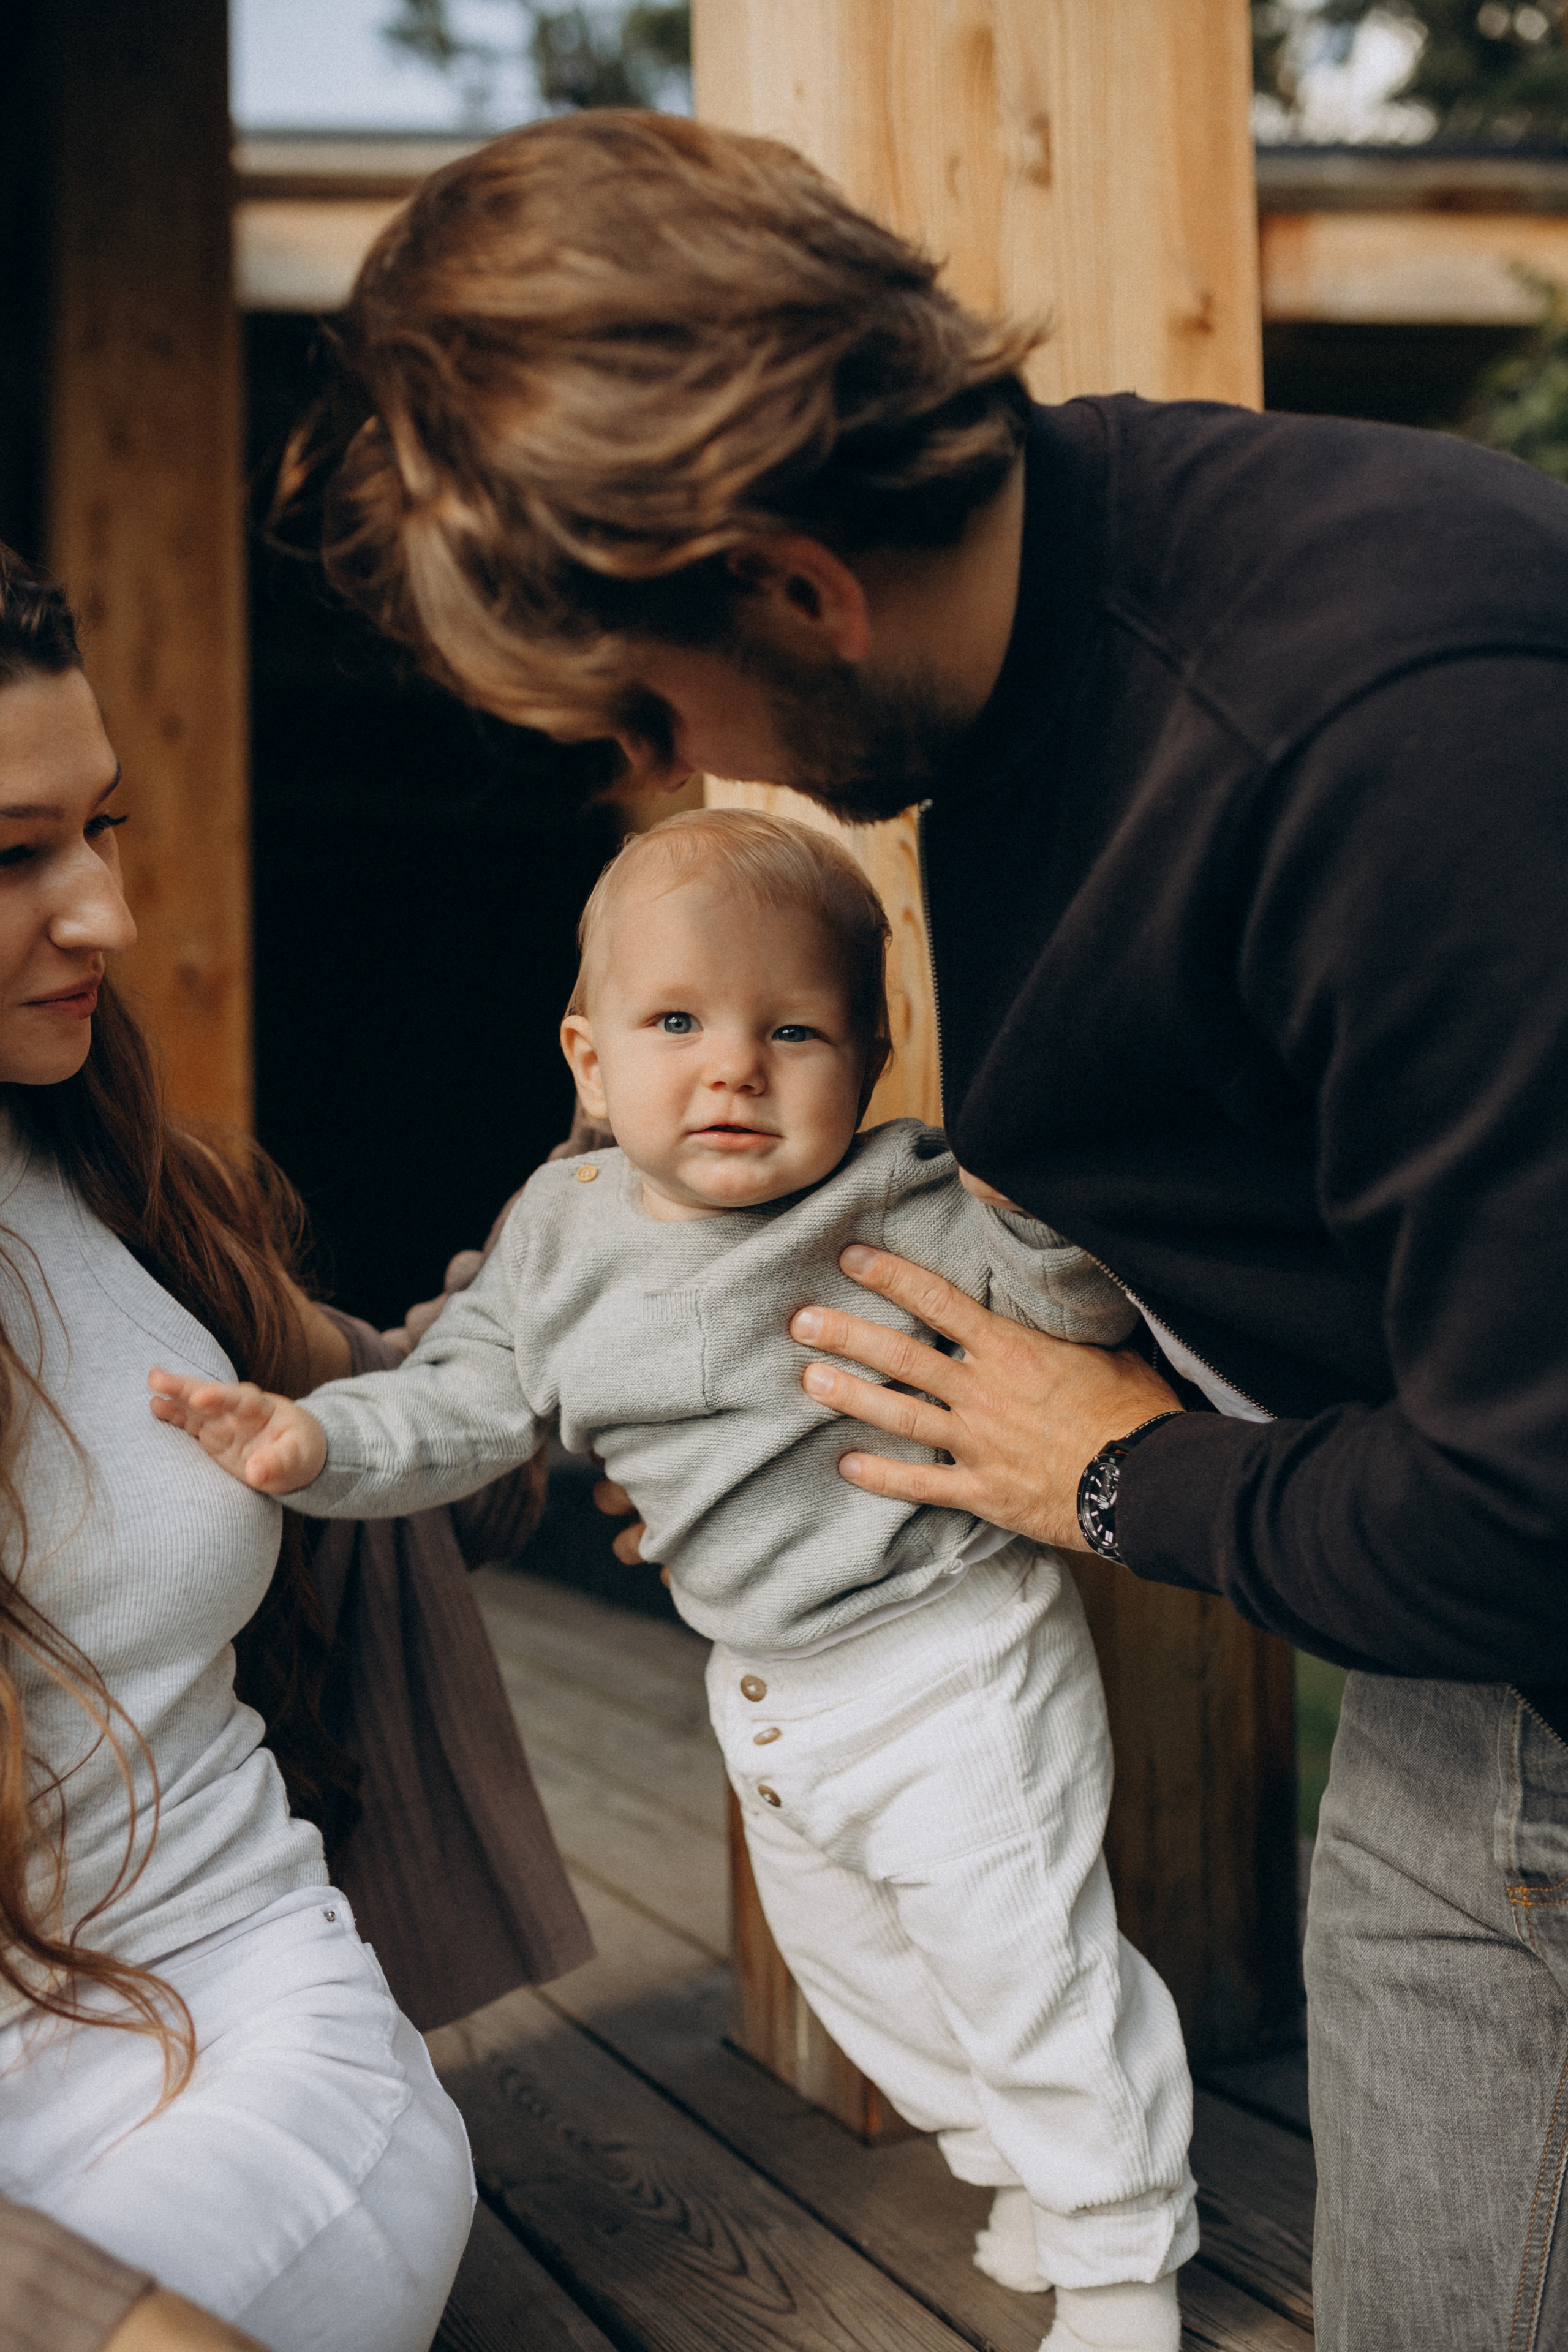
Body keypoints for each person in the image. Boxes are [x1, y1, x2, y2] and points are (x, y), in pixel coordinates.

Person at [281, 110, 1568, 2350]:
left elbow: (1533, 1505)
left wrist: (1114, 1471)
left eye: (645, 712)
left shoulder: (1383, 743)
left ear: (797, 586)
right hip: (1446, 1617)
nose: (652, 776)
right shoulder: (1041, 643)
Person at [152, 808, 1197, 2352]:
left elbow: (1064, 1303)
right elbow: (465, 1399)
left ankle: (1118, 2262)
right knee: (865, 1980)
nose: (734, 1070)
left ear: (871, 1056)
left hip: (951, 1658)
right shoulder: (555, 1235)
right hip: (766, 1695)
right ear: (588, 1061)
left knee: (1028, 1965)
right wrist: (320, 1443)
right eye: (676, 1024)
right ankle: (1020, 2164)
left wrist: (1038, 1205)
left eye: (792, 1031)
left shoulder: (906, 1199)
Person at [0, 542, 587, 2352]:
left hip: (233, 2048)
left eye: (100, 828)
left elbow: (409, 1411)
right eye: (13, 855)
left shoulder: (114, 1182)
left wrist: (621, 1291)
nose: (103, 914)